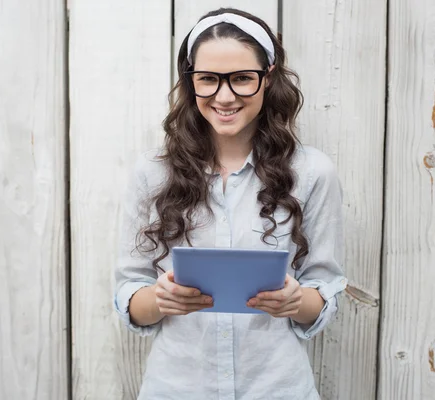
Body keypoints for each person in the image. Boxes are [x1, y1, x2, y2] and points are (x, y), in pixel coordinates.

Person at [114, 7, 348, 400]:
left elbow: (323, 293)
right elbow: (130, 295)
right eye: (207, 80)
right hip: (176, 388)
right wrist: (160, 299)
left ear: (268, 78)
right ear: (190, 83)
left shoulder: (313, 173)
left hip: (277, 387)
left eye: (242, 79)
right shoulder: (152, 173)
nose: (224, 97)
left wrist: (296, 300)